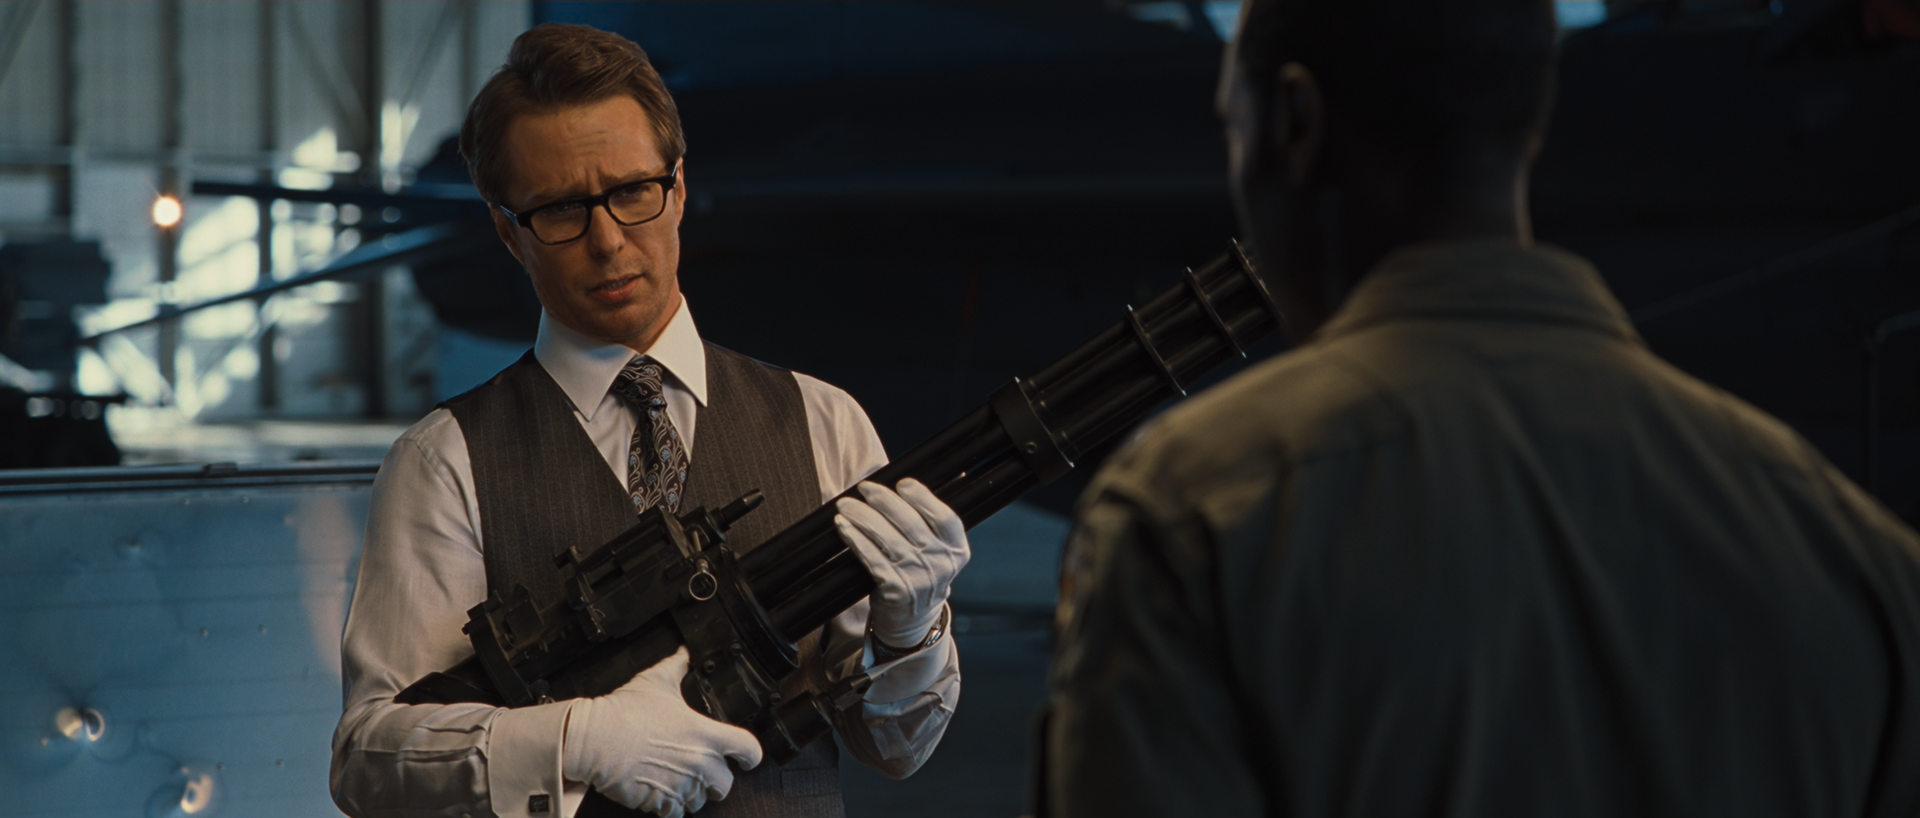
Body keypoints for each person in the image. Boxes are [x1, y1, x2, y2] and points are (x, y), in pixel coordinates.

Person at [1043, 0, 1920, 815]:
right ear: (1527, 123)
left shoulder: (1193, 514)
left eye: (1233, 129)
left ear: (1295, 123)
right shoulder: (1857, 560)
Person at [331, 24, 968, 818]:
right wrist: (572, 742)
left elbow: (897, 749)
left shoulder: (823, 422)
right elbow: (369, 761)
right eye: (560, 209)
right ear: (507, 231)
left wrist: (912, 634)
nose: (607, 241)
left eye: (633, 191)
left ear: (680, 187)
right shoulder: (445, 459)